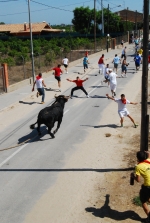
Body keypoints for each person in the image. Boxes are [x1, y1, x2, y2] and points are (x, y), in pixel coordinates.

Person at [131, 151, 150, 223]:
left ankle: (149, 218)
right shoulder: (149, 161)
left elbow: (138, 180)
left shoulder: (138, 167)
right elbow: (149, 154)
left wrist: (133, 176)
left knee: (143, 201)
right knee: (147, 196)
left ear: (137, 158)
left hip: (148, 186)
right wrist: (147, 152)